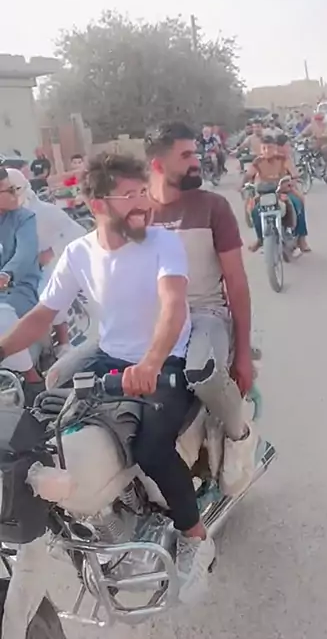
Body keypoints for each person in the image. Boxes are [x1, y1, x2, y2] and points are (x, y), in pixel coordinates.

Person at [0, 152, 215, 600]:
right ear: (98, 204)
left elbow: (173, 306)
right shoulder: (79, 253)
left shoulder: (162, 243)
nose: (143, 203)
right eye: (129, 195)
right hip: (109, 358)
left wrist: (151, 363)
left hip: (164, 361)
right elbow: (41, 315)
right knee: (36, 428)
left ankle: (196, 537)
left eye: (144, 192)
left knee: (151, 446)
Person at [145, 123, 257, 496]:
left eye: (196, 152)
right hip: (157, 320)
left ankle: (240, 438)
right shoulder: (136, 210)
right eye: (186, 155)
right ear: (158, 164)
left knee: (203, 374)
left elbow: (236, 283)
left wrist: (243, 354)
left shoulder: (213, 207)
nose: (197, 160)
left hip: (205, 316)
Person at [6, 168, 85, 355]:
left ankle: (63, 342)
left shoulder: (45, 212)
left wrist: (51, 252)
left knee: (47, 296)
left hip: (47, 265)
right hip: (16, 269)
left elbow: (78, 233)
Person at [0, 167, 41, 378]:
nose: (15, 194)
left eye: (15, 188)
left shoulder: (24, 218)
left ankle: (32, 377)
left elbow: (25, 254)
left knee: (2, 314)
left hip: (18, 287)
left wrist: (6, 275)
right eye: (9, 191)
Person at [244, 136, 309, 253]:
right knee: (254, 211)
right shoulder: (257, 162)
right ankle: (260, 239)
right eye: (264, 148)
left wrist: (292, 181)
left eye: (269, 148)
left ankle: (301, 239)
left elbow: (294, 174)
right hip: (264, 194)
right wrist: (242, 185)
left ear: (275, 148)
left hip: (283, 191)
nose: (266, 151)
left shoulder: (283, 159)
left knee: (297, 203)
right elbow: (248, 175)